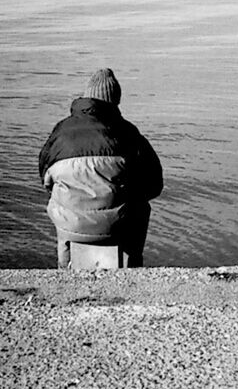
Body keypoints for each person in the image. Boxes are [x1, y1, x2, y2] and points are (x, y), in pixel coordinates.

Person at [38, 68, 163, 268]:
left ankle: (66, 267)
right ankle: (131, 267)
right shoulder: (129, 133)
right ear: (116, 100)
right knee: (141, 206)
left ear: (87, 96)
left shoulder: (60, 132)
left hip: (71, 227)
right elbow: (154, 185)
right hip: (118, 229)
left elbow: (45, 178)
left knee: (59, 199)